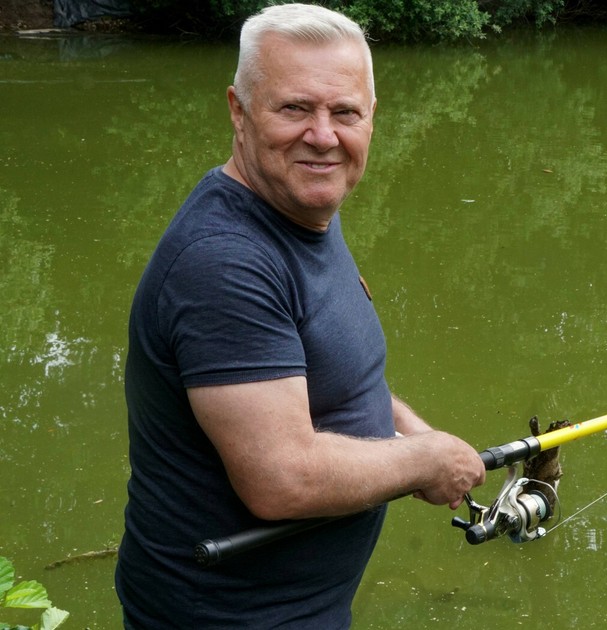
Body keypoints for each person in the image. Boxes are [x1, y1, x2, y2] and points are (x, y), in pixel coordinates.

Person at [115, 4, 486, 627]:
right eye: (294, 109)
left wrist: (414, 433)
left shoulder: (305, 209)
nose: (323, 135)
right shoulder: (222, 265)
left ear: (371, 118)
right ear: (239, 110)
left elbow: (337, 370)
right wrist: (426, 461)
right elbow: (281, 478)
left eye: (345, 113)